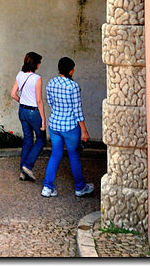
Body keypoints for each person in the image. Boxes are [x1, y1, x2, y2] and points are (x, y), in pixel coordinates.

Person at [41, 56, 94, 198]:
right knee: (74, 155)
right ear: (70, 70)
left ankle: (47, 187)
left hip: (54, 125)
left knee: (55, 155)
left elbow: (50, 103)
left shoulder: (51, 83)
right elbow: (78, 110)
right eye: (73, 69)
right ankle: (80, 188)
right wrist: (84, 131)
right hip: (70, 126)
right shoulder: (73, 86)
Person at [10, 51, 46, 182]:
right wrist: (43, 119)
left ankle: (22, 172)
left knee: (28, 140)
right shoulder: (37, 79)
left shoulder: (20, 75)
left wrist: (22, 101)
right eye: (39, 62)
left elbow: (13, 94)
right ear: (36, 64)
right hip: (33, 112)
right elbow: (39, 101)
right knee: (41, 139)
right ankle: (27, 166)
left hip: (22, 110)